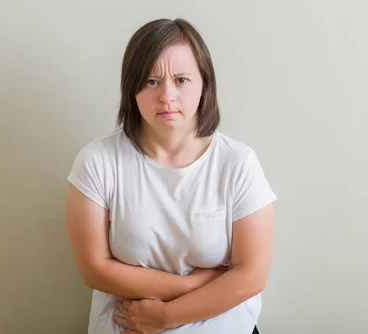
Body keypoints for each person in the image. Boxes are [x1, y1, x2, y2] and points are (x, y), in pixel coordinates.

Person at [65, 18, 277, 334]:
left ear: (204, 84)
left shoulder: (238, 163)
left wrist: (167, 317)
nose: (166, 96)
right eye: (151, 81)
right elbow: (94, 270)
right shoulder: (98, 161)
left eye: (180, 80)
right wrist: (192, 283)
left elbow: (252, 275)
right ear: (131, 88)